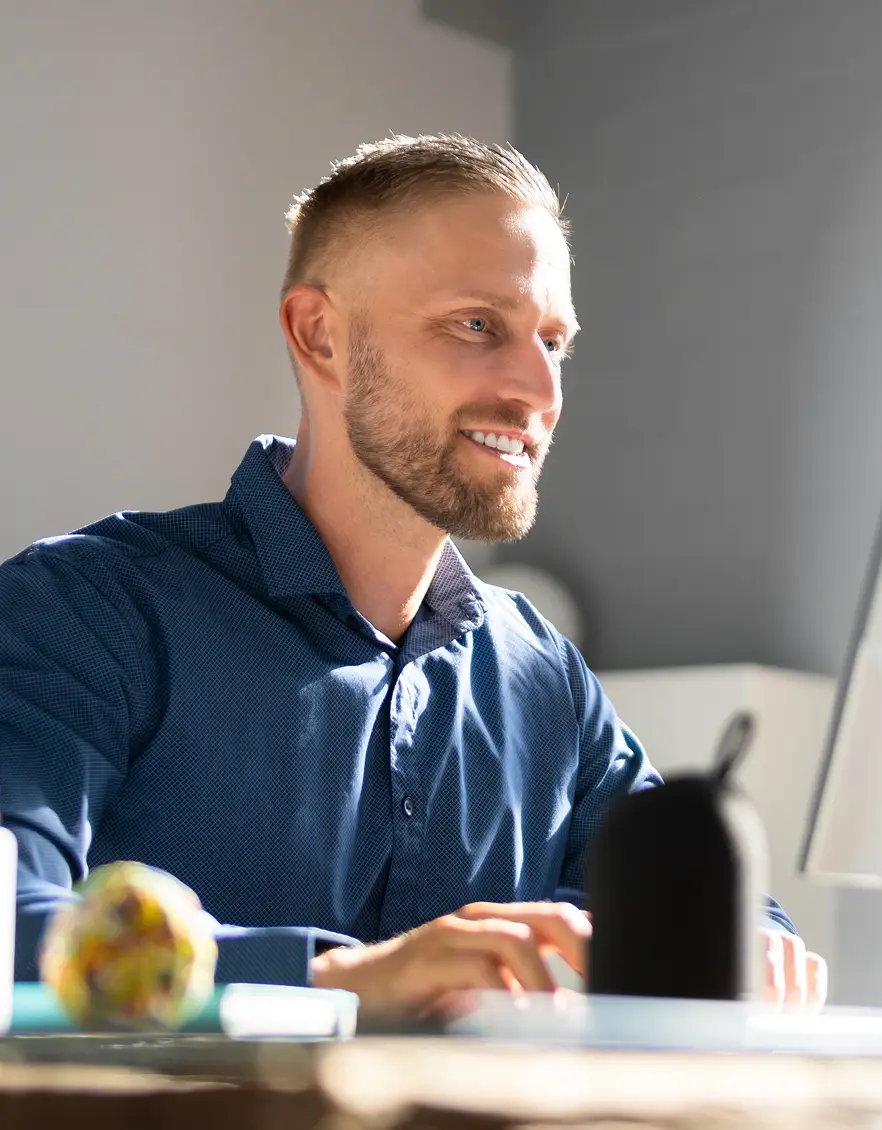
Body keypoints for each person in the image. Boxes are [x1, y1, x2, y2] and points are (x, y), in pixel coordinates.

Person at [0, 134, 826, 1017]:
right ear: (319, 335)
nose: (536, 388)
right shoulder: (85, 611)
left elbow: (689, 904)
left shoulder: (544, 679)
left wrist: (747, 942)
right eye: (477, 325)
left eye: (554, 341)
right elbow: (14, 921)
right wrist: (337, 983)